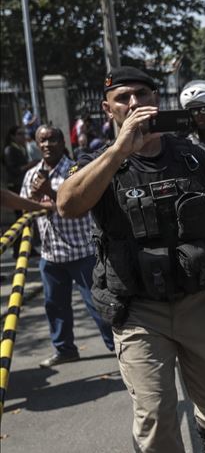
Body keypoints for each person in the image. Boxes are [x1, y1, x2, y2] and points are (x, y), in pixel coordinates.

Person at [56, 66, 205, 452]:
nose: (134, 103)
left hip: (199, 302)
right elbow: (68, 204)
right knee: (155, 417)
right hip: (138, 310)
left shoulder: (192, 157)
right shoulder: (97, 161)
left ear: (157, 100)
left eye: (142, 93)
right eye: (123, 97)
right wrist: (120, 149)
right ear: (109, 110)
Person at [20, 125, 115, 367]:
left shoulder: (76, 171)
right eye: (42, 140)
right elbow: (24, 208)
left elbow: (81, 206)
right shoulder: (32, 175)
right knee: (55, 306)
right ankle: (64, 349)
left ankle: (116, 346)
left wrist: (49, 194)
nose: (46, 145)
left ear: (63, 143)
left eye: (52, 139)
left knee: (97, 304)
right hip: (50, 256)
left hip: (81, 252)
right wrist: (33, 199)